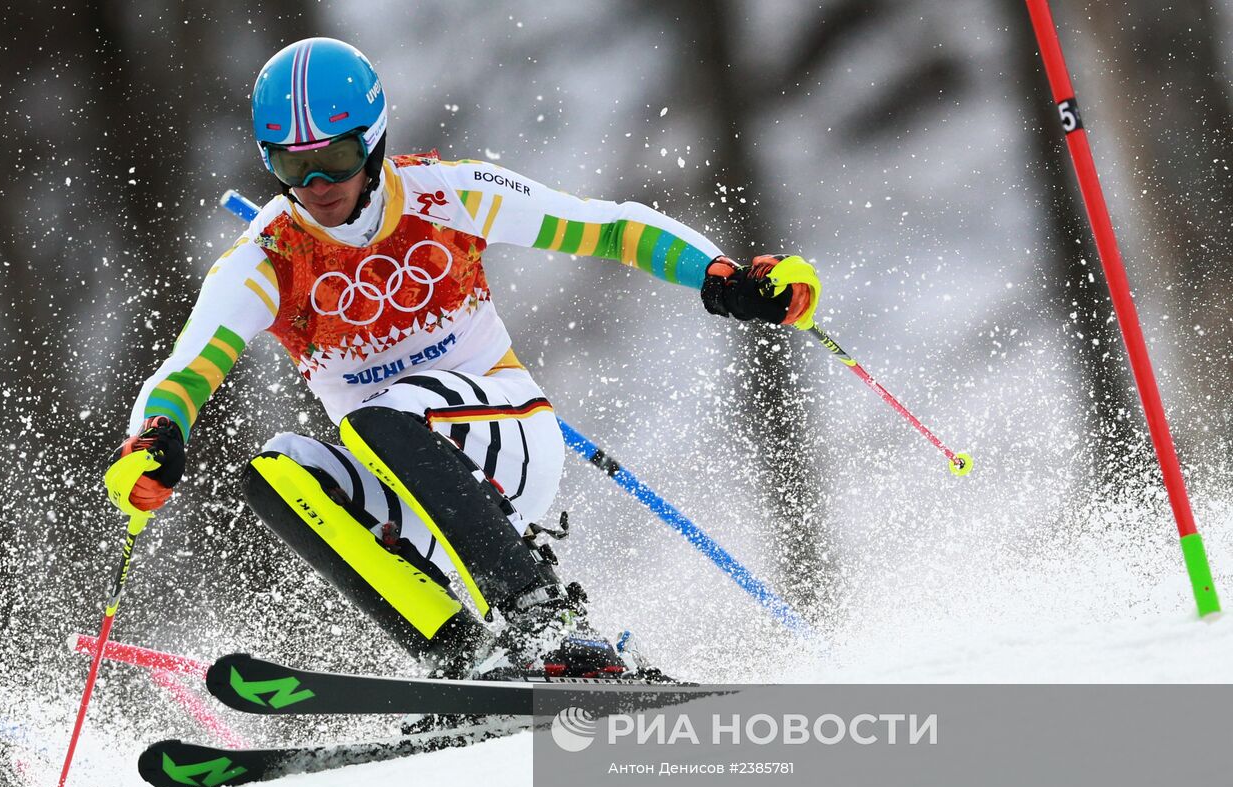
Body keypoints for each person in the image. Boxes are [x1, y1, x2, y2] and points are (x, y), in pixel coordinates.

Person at [107, 37, 821, 681]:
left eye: (337, 158)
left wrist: (723, 276)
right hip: (405, 486)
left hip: (505, 437)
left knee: (383, 417)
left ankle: (548, 620)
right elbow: (187, 369)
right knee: (275, 472)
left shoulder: (444, 195)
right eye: (292, 163)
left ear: (375, 143)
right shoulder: (267, 258)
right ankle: (459, 652)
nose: (317, 184)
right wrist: (157, 437)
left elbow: (608, 230)